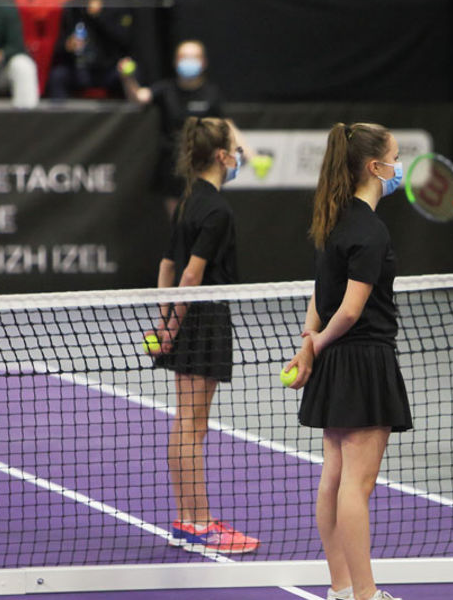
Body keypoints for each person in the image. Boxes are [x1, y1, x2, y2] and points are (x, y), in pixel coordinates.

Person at [285, 122, 412, 600]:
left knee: (334, 478)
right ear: (376, 167)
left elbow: (320, 300)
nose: (400, 167)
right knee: (355, 487)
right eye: (396, 158)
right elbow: (351, 309)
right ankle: (365, 595)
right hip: (363, 362)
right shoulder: (371, 231)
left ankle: (340, 588)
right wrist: (312, 346)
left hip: (335, 361)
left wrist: (309, 344)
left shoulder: (332, 221)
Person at [146, 116, 259, 555]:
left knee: (186, 423)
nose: (241, 157)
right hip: (203, 321)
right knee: (193, 426)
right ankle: (200, 524)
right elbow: (190, 275)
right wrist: (172, 328)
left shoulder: (190, 200)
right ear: (221, 156)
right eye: (235, 149)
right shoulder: (217, 209)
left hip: (184, 320)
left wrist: (163, 322)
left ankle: (189, 517)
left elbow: (166, 269)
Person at [121, 40, 226, 219]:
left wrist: (248, 154)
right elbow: (139, 97)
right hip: (172, 166)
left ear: (203, 62)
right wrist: (127, 77)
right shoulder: (165, 89)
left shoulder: (211, 94)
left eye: (194, 57)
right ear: (176, 61)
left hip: (202, 166)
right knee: (180, 222)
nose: (189, 61)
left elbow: (225, 128)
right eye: (184, 57)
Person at [46, 0, 132, 100]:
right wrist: (68, 45)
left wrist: (100, 16)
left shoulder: (115, 4)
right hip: (80, 69)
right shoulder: (73, 7)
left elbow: (124, 40)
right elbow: (58, 46)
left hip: (108, 67)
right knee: (57, 76)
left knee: (129, 75)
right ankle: (61, 118)